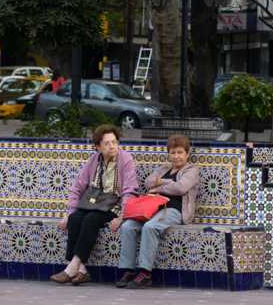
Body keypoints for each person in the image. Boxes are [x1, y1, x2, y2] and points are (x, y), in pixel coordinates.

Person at [51, 124, 138, 285]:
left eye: (114, 142)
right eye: (107, 143)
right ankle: (81, 269)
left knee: (91, 219)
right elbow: (78, 187)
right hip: (94, 203)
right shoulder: (94, 160)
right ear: (98, 147)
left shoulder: (125, 159)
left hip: (114, 206)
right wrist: (68, 213)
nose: (112, 146)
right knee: (76, 218)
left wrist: (121, 217)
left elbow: (129, 191)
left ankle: (72, 268)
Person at [115, 134, 200, 289]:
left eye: (180, 152)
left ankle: (145, 273)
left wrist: (160, 184)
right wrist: (167, 183)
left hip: (174, 210)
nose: (176, 156)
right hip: (151, 207)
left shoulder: (192, 170)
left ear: (187, 154)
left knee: (150, 227)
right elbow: (148, 183)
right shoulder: (163, 168)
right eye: (173, 152)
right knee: (128, 226)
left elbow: (181, 188)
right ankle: (127, 270)